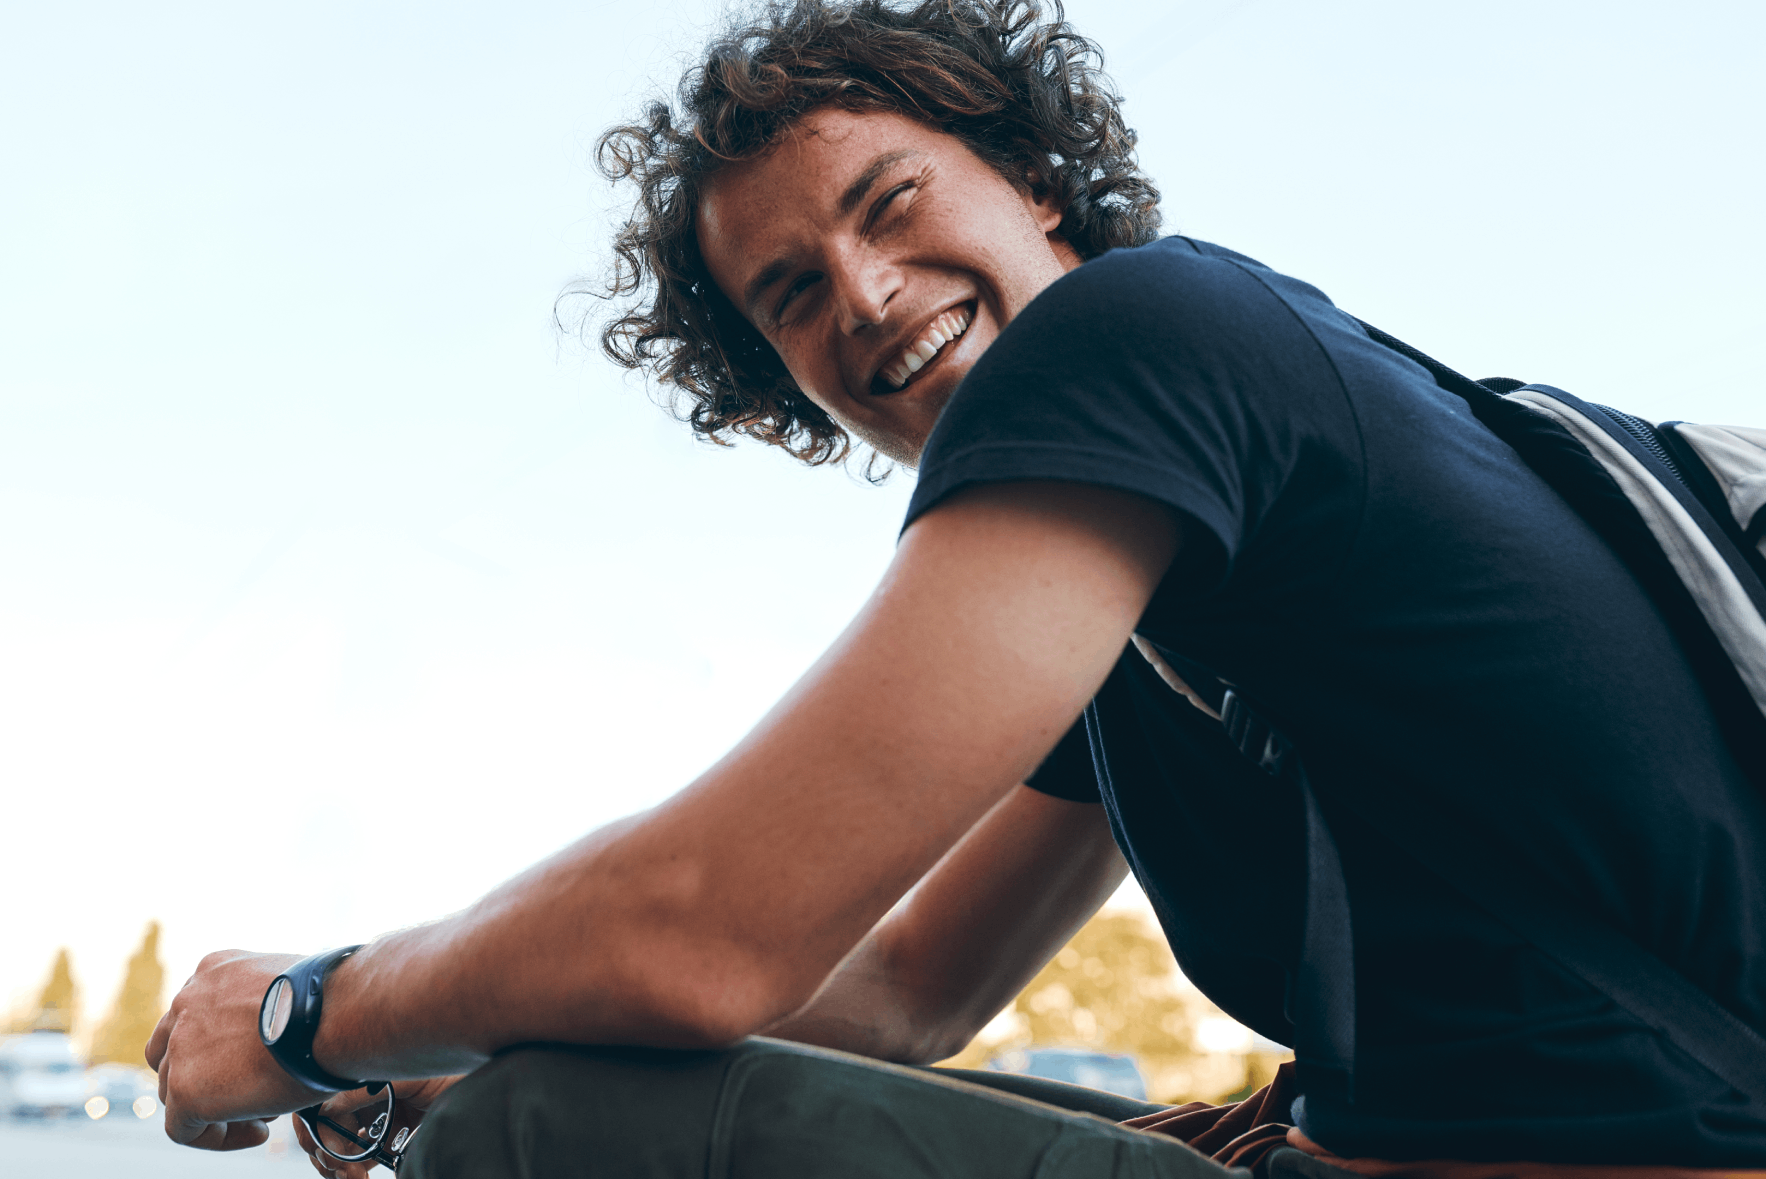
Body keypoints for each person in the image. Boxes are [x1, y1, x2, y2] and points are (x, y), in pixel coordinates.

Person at [147, 1, 1766, 1175]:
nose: (864, 295)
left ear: (1030, 183)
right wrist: (473, 1029)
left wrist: (311, 1008)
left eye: (889, 204)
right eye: (790, 292)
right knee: (535, 1080)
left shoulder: (1142, 335)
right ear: (779, 376)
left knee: (546, 1131)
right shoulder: (1138, 614)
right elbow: (910, 986)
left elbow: (704, 930)